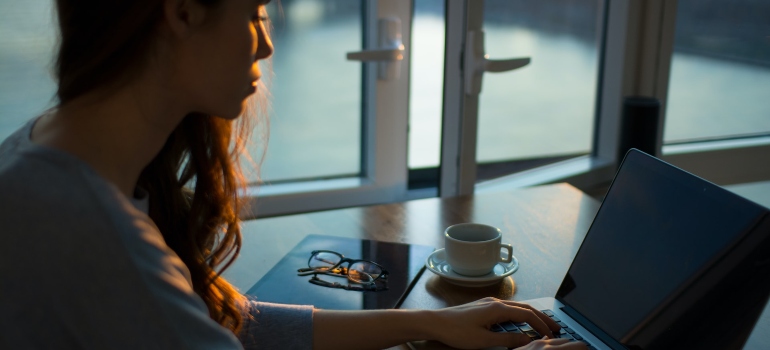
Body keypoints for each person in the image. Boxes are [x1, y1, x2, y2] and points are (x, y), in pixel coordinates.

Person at [0, 0, 586, 349]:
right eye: (255, 12)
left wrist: (432, 322)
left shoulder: (40, 150)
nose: (267, 43)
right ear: (181, 12)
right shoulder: (98, 239)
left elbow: (222, 324)